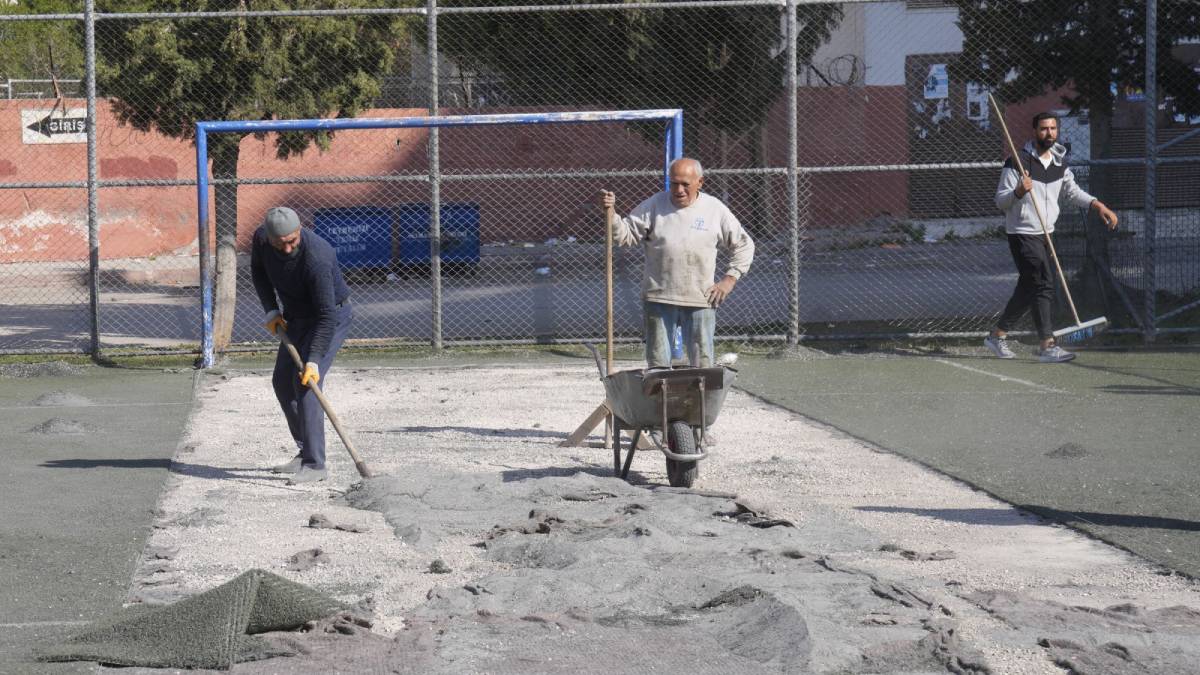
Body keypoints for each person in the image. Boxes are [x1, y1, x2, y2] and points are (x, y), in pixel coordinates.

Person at [985, 112, 1119, 363]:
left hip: (1047, 232)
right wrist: (1018, 191)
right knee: (1044, 282)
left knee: (1029, 287)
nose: (1049, 133)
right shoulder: (1017, 161)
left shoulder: (1059, 161)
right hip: (1023, 233)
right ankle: (1047, 344)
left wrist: (1097, 205)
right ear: (1034, 131)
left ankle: (996, 336)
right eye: (1044, 128)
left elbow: (1072, 192)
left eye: (1053, 128)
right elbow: (1000, 202)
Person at [599, 157, 755, 369]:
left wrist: (729, 280)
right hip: (659, 297)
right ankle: (659, 400)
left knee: (703, 366)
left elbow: (744, 245)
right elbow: (624, 236)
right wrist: (612, 215)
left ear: (700, 182)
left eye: (685, 184)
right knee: (658, 366)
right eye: (674, 183)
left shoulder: (714, 210)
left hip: (700, 298)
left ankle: (701, 400)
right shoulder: (654, 205)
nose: (678, 189)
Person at [250, 206, 353, 484]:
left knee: (307, 384)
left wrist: (314, 360)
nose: (286, 249)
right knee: (282, 382)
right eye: (280, 243)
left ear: (299, 231)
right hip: (295, 317)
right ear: (269, 238)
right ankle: (304, 449)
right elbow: (259, 272)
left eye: (292, 241)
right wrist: (271, 309)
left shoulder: (317, 256)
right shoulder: (260, 239)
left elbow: (326, 316)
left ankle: (316, 465)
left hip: (329, 317)